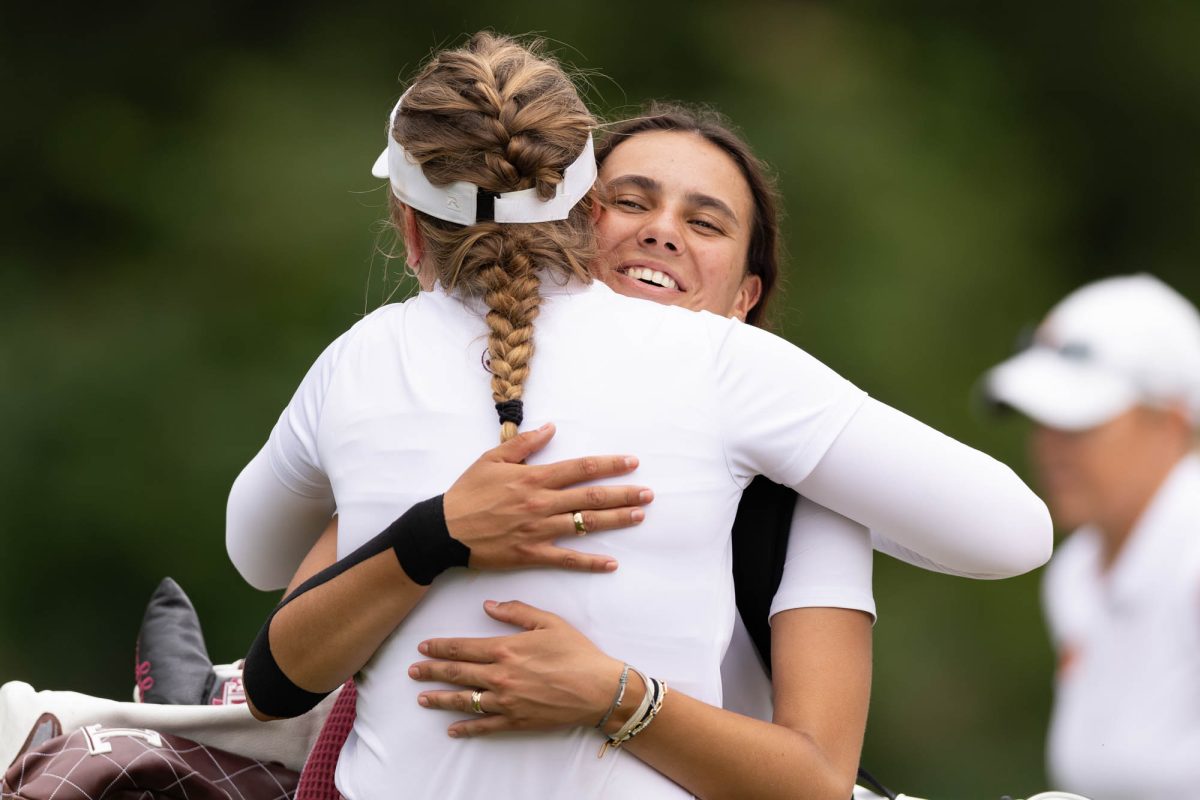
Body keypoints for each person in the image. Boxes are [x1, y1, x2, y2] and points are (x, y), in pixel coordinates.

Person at [229, 32, 1050, 799]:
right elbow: (277, 654)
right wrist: (437, 531)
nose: (661, 235)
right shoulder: (726, 370)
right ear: (580, 218)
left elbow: (255, 551)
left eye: (704, 222)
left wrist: (614, 695)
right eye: (633, 201)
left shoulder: (364, 359)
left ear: (409, 228)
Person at [983, 274, 1200, 800]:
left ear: (1171, 423)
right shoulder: (1076, 571)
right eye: (1041, 421)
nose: (1049, 446)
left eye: (1078, 423)